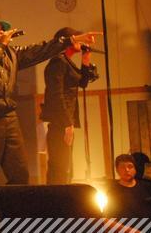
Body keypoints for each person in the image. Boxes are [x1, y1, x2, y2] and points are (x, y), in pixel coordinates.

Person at [0, 15, 101, 188]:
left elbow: (40, 50)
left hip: (9, 116)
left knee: (20, 173)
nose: (1, 31)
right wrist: (3, 45)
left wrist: (72, 40)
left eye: (3, 28)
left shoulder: (11, 53)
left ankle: (13, 206)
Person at [41, 27, 99, 184]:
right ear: (67, 40)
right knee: (60, 168)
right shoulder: (58, 62)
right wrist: (67, 123)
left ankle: (62, 196)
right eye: (78, 38)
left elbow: (83, 83)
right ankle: (57, 198)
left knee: (66, 167)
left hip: (66, 121)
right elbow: (56, 94)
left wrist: (86, 59)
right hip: (61, 122)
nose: (81, 41)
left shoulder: (66, 62)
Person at [105, 154, 151, 218]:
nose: (127, 170)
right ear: (117, 170)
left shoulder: (148, 186)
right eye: (122, 167)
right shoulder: (113, 191)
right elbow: (108, 219)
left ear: (135, 169)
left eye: (130, 166)